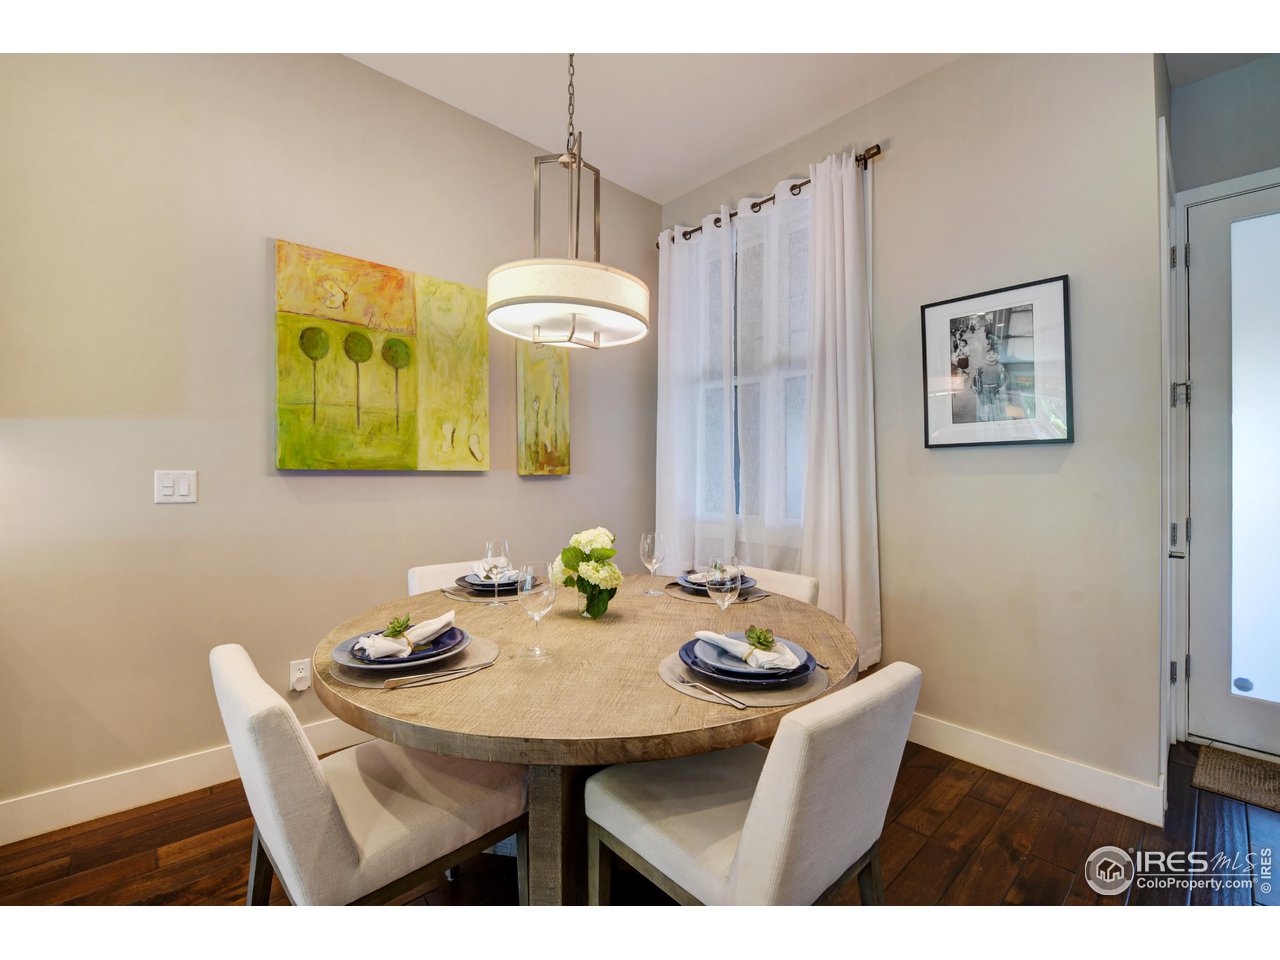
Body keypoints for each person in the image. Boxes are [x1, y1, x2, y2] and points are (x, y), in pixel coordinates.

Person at [970, 345, 1008, 422]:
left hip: (995, 390)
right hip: (984, 390)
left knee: (995, 408)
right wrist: (972, 386)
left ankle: (992, 422)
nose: (991, 356)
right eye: (989, 354)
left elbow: (1007, 379)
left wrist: (1003, 386)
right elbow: (974, 378)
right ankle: (985, 420)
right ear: (985, 356)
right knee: (986, 408)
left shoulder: (1000, 367)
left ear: (998, 356)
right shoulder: (981, 367)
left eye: (994, 354)